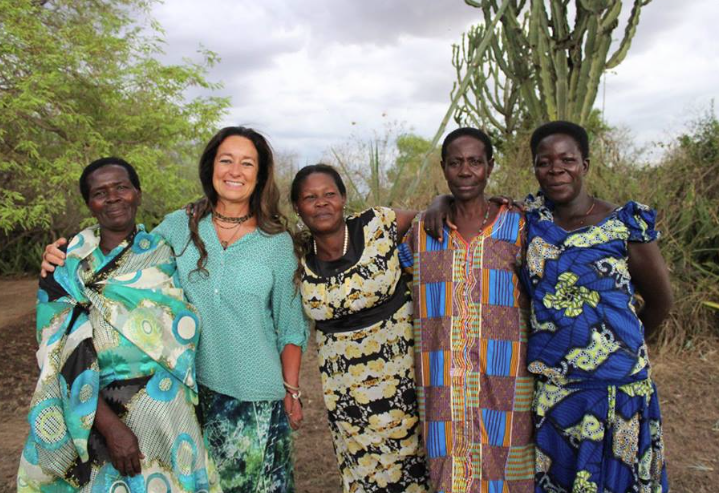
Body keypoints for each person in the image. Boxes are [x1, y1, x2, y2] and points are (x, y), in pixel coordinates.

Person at [40, 127, 309, 493]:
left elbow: (291, 328)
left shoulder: (276, 243)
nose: (235, 171)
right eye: (226, 160)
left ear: (260, 174)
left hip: (255, 396)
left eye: (247, 163)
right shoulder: (179, 226)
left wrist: (292, 391)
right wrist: (63, 254)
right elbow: (123, 252)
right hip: (188, 397)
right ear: (211, 167)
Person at [18, 158, 220, 493]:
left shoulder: (167, 254)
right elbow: (56, 353)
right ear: (89, 204)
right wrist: (111, 428)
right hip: (93, 414)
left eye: (121, 187)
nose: (112, 197)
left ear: (137, 194)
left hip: (168, 414)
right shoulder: (65, 264)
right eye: (100, 193)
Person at [521, 121, 671, 493]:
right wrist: (441, 202)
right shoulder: (530, 221)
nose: (556, 169)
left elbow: (660, 302)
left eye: (567, 160)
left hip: (617, 393)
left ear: (584, 165)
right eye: (544, 162)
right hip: (557, 392)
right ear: (535, 168)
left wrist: (622, 350)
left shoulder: (623, 225)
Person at [398, 128, 535, 493]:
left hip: (505, 382)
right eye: (456, 162)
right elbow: (394, 276)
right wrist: (438, 202)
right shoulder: (423, 231)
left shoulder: (519, 225)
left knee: (509, 474)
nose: (465, 171)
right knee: (449, 474)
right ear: (444, 167)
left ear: (490, 166)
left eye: (475, 161)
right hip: (443, 385)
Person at [290, 164, 437, 493]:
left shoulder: (377, 224)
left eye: (329, 194)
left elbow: (429, 219)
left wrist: (441, 201)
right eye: (310, 197)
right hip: (345, 392)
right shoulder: (296, 256)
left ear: (343, 198)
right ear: (297, 207)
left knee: (415, 468)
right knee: (364, 476)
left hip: (403, 381)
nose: (321, 202)